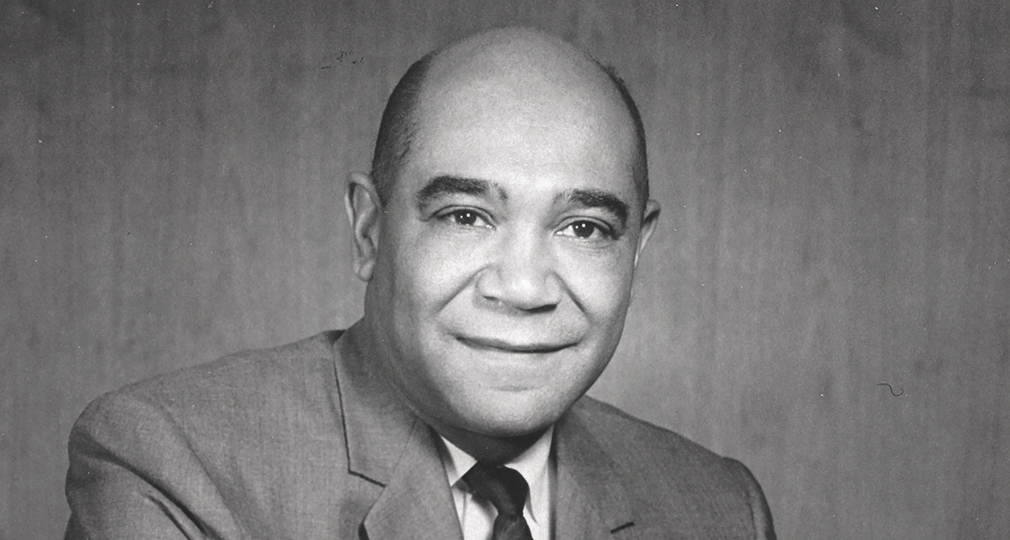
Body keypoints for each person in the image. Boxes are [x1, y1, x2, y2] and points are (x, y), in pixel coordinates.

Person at [64, 26, 775, 540]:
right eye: (466, 216)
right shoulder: (175, 462)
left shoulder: (717, 509)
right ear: (370, 231)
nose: (525, 287)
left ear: (637, 250)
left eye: (584, 227)